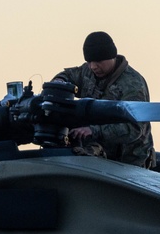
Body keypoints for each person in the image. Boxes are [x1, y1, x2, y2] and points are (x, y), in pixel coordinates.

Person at [52, 31, 154, 168]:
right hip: (94, 157)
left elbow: (134, 129)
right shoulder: (87, 72)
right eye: (89, 62)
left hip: (128, 164)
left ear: (111, 56)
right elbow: (69, 75)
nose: (93, 66)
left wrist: (93, 131)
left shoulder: (133, 85)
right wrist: (60, 81)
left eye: (98, 61)